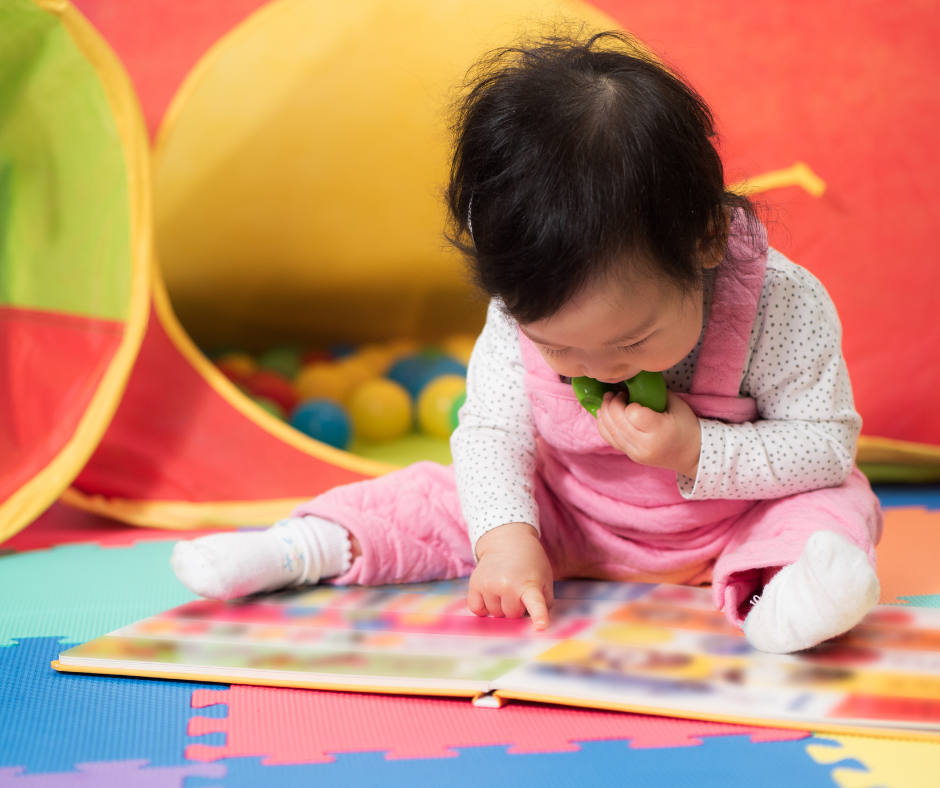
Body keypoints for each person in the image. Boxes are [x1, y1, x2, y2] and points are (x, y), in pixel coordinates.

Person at [171, 30, 882, 654]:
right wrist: (507, 541)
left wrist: (698, 451)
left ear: (705, 240)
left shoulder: (780, 303)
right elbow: (491, 434)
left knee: (835, 507)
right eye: (560, 349)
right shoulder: (519, 306)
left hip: (736, 523)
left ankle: (780, 608)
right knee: (445, 496)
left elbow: (824, 446)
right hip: (571, 515)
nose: (598, 367)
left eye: (632, 338)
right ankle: (303, 547)